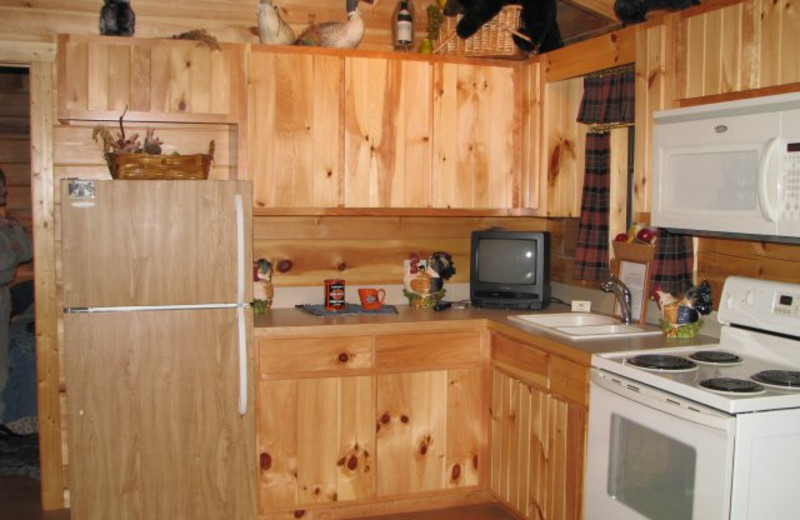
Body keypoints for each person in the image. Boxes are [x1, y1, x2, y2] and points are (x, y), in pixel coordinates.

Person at [0, 167, 33, 422]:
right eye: (2, 187)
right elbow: (8, 258)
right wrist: (10, 254)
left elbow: (25, 251)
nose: (5, 192)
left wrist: (11, 250)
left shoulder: (8, 222)